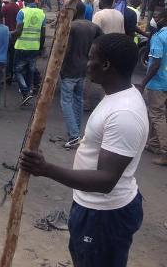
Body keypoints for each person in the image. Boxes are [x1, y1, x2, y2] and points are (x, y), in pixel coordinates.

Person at [21, 33, 147, 267]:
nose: (87, 64)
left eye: (91, 58)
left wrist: (46, 169)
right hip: (93, 208)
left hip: (105, 216)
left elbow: (105, 180)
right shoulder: (116, 97)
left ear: (106, 64)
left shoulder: (124, 114)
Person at [60, 0, 103, 149]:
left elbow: (65, 49)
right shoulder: (93, 27)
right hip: (83, 68)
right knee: (78, 100)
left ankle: (73, 136)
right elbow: (101, 43)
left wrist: (60, 67)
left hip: (70, 69)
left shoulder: (71, 27)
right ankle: (76, 133)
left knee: (66, 101)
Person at [136, 10, 167, 164]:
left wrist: (143, 83)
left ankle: (165, 152)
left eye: (158, 17)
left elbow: (155, 63)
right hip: (165, 81)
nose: (154, 19)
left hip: (158, 82)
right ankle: (153, 143)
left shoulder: (159, 37)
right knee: (159, 114)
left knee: (157, 115)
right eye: (154, 16)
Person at [13, 0, 46, 105]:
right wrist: (41, 48)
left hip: (21, 46)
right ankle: (27, 94)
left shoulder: (22, 12)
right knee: (30, 70)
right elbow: (43, 33)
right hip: (34, 47)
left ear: (25, 0)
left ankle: (26, 91)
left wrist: (11, 37)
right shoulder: (42, 13)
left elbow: (18, 30)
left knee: (17, 70)